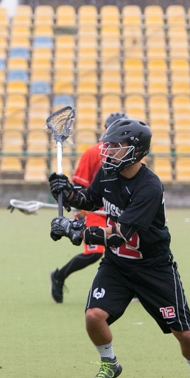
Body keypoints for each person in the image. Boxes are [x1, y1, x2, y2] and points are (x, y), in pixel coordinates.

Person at [48, 118, 190, 378]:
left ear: (135, 150)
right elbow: (90, 201)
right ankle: (109, 362)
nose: (108, 151)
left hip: (154, 267)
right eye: (108, 145)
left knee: (184, 333)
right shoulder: (108, 173)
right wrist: (66, 193)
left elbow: (119, 235)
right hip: (117, 265)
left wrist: (76, 232)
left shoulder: (149, 187)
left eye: (115, 146)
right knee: (93, 316)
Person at [49, 112, 127, 303]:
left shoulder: (128, 156)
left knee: (127, 247)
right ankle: (59, 276)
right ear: (105, 130)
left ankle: (129, 288)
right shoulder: (93, 153)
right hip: (93, 212)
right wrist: (79, 207)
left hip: (115, 212)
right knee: (94, 253)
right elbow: (78, 186)